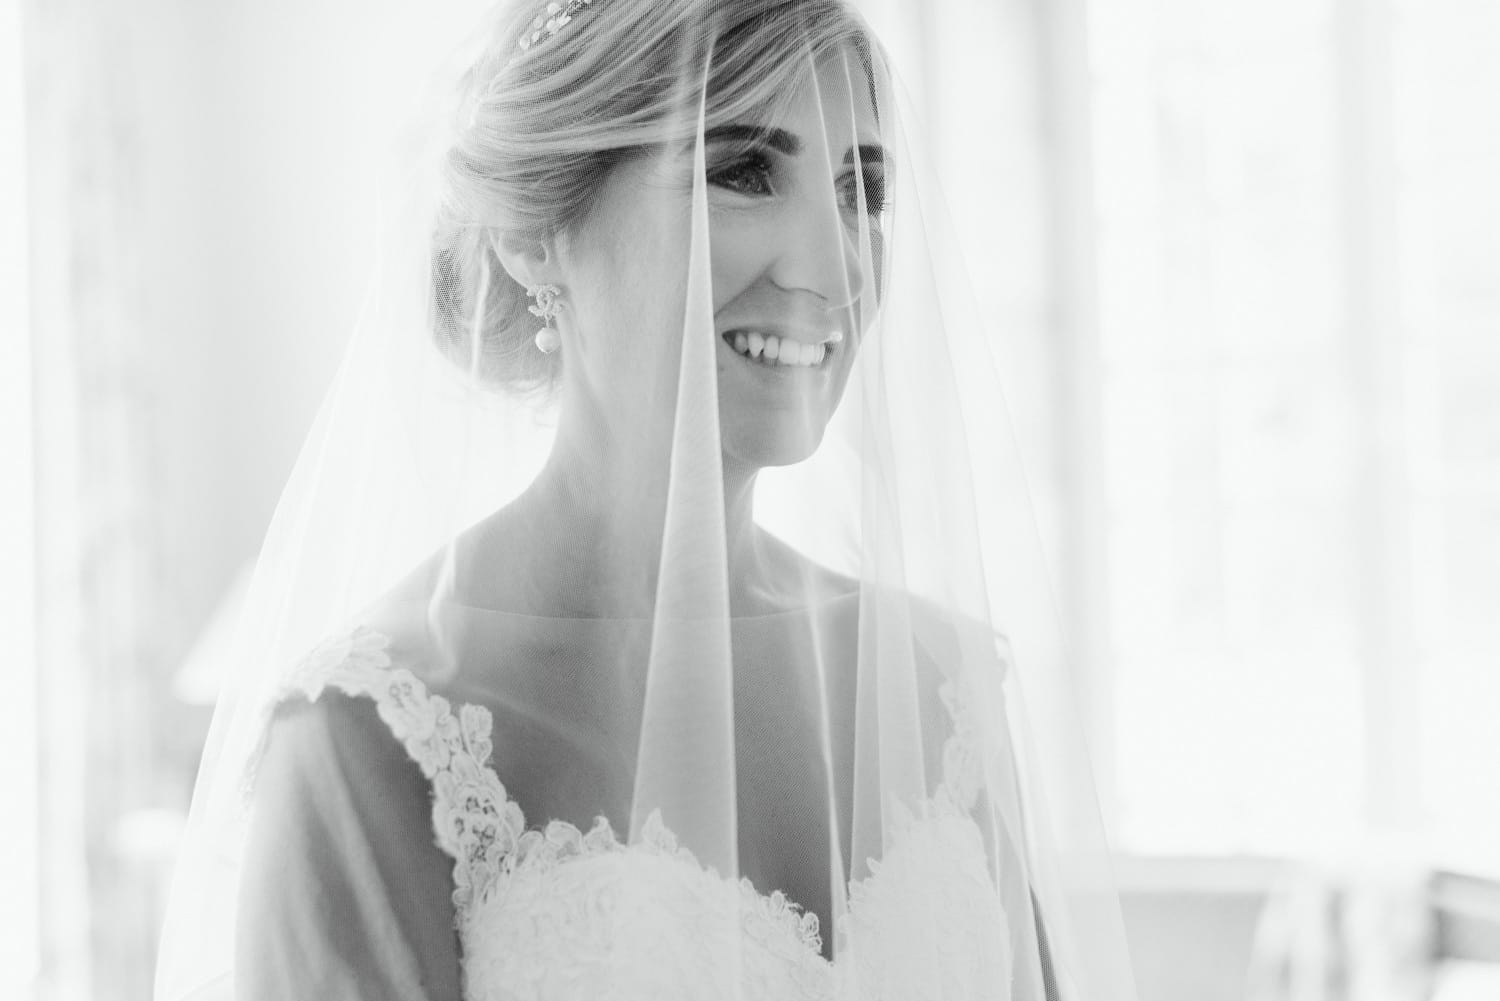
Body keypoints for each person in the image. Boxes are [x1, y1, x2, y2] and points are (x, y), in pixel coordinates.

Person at [155, 0, 1141, 998]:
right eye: (744, 170)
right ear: (534, 232)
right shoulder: (368, 743)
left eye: (861, 188)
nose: (835, 264)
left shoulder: (943, 687)